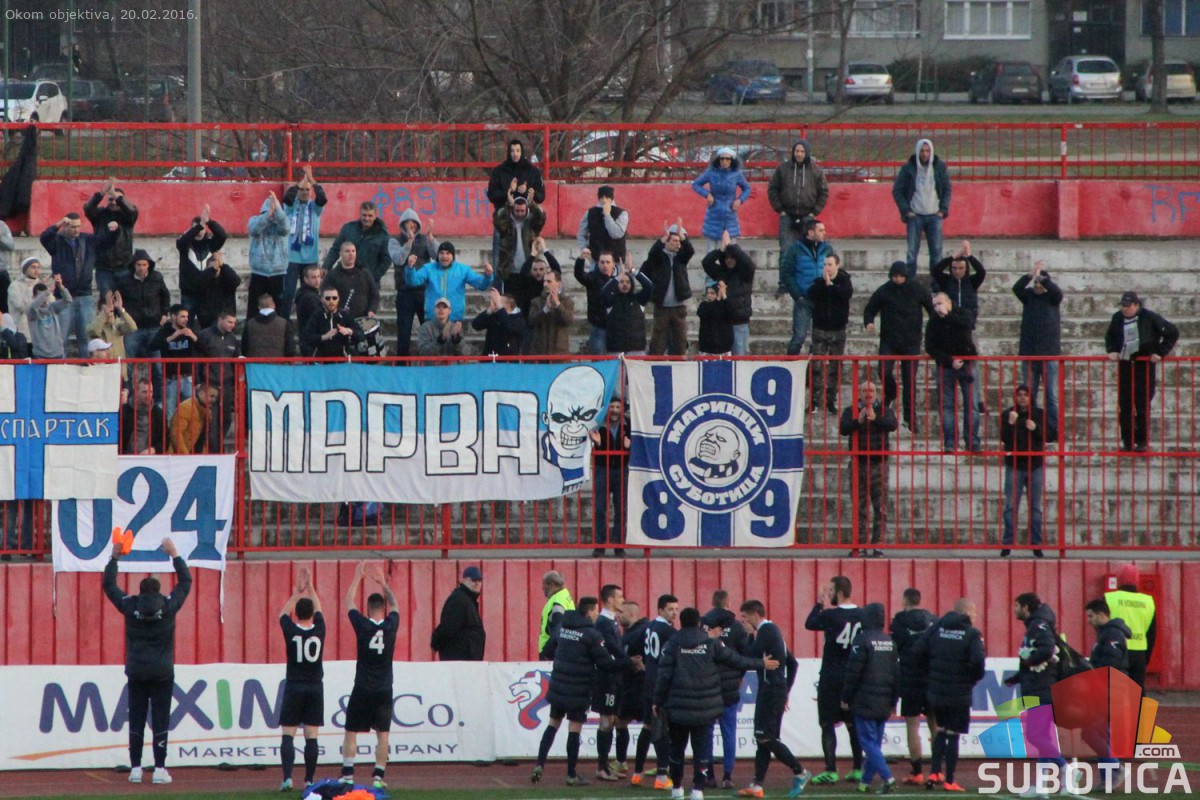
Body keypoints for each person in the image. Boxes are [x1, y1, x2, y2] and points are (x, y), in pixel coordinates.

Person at [657, 606, 777, 800]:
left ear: (681, 622)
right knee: (702, 751)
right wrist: (761, 663)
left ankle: (677, 788)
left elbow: (663, 676)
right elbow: (737, 660)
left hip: (678, 709)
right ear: (698, 623)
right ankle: (698, 790)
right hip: (706, 708)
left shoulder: (672, 644)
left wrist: (657, 701)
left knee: (677, 749)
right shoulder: (711, 644)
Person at [102, 537, 192, 785]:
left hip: (137, 671)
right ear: (159, 591)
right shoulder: (168, 606)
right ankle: (160, 769)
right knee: (161, 719)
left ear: (140, 592)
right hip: (162, 672)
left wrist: (115, 558)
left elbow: (109, 586)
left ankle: (135, 769)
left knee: (137, 719)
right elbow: (186, 582)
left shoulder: (130, 606)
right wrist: (175, 554)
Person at [532, 596, 622, 787]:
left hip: (558, 686)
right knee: (574, 729)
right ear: (589, 612)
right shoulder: (591, 634)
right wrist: (628, 664)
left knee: (553, 724)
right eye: (595, 610)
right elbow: (605, 662)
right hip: (579, 689)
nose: (597, 614)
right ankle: (571, 774)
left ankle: (539, 764)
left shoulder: (562, 627)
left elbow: (547, 650)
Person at [737, 599, 811, 799]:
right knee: (763, 739)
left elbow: (749, 655)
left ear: (755, 615)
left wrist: (747, 635)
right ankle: (757, 785)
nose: (743, 621)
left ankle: (800, 771)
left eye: (744, 617)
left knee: (765, 737)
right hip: (773, 690)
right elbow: (793, 664)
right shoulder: (773, 631)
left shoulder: (766, 631)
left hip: (770, 691)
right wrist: (785, 691)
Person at [912, 599, 985, 792]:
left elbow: (917, 650)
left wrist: (931, 672)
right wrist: (971, 680)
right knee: (953, 734)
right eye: (974, 613)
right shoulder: (972, 634)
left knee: (940, 730)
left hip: (936, 690)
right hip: (959, 692)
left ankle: (934, 772)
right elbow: (978, 662)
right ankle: (950, 780)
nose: (975, 617)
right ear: (967, 613)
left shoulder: (937, 628)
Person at [339, 562, 400, 790]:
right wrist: (383, 583)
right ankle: (378, 777)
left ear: (367, 608)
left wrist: (357, 577)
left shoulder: (363, 625)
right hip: (384, 688)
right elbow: (396, 605)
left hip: (363, 686)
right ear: (383, 609)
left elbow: (348, 602)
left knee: (351, 730)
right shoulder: (391, 625)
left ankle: (348, 775)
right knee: (383, 734)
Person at [805, 575, 865, 784]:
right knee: (852, 723)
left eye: (830, 590)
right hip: (853, 676)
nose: (828, 594)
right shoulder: (862, 615)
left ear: (839, 592)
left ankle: (831, 770)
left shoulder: (831, 615)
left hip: (831, 676)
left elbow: (810, 623)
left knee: (827, 723)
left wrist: (818, 603)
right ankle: (858, 768)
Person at [1104, 291, 1178, 452]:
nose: (1125, 309)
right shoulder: (1117, 318)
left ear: (1137, 305)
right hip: (1125, 364)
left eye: (1128, 306)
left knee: (1142, 403)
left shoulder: (1150, 317)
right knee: (1125, 404)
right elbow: (1110, 336)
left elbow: (1172, 332)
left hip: (1144, 365)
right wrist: (1111, 350)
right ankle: (1127, 441)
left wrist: (1160, 352)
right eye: (1123, 306)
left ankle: (1142, 441)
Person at [840, 603, 899, 795]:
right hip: (884, 701)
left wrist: (846, 697)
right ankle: (865, 782)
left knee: (868, 743)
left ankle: (888, 778)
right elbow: (896, 674)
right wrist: (894, 701)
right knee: (875, 745)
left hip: (865, 700)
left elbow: (853, 672)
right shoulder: (890, 642)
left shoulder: (861, 640)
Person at [1009, 593, 1067, 782]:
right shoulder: (1036, 625)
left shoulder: (1038, 625)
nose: (1014, 610)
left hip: (1041, 687)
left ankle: (1065, 767)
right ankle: (1041, 784)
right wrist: (1017, 677)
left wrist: (1029, 662)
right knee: (1042, 736)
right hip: (1038, 685)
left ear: (1026, 607)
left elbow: (1047, 649)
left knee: (1034, 735)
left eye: (1017, 606)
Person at [278, 567, 325, 792]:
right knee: (311, 736)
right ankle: (309, 780)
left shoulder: (290, 630)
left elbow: (282, 615)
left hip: (294, 686)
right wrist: (311, 588)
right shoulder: (320, 630)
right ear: (312, 614)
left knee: (288, 734)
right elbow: (320, 609)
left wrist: (297, 592)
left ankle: (288, 778)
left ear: (296, 613)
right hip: (315, 687)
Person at [839, 381, 896, 557]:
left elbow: (892, 425)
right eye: (864, 390)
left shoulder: (885, 410)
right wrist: (858, 421)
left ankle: (878, 544)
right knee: (859, 507)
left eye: (871, 390)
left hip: (879, 463)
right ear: (860, 393)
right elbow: (843, 429)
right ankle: (861, 544)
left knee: (881, 507)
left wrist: (875, 418)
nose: (868, 393)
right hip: (858, 463)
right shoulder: (851, 411)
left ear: (876, 393)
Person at [41, 212, 108, 356]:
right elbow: (44, 238)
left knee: (86, 338)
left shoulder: (87, 239)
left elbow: (106, 242)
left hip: (84, 294)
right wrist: (58, 224)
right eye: (72, 227)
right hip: (63, 296)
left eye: (78, 226)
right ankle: (61, 365)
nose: (76, 230)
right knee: (61, 338)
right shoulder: (57, 241)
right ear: (65, 226)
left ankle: (87, 364)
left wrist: (115, 231)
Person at [702, 590, 751, 791]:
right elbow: (745, 655)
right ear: (728, 603)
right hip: (730, 685)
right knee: (729, 732)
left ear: (713, 603)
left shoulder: (703, 623)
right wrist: (740, 676)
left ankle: (709, 775)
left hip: (709, 685)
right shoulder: (737, 627)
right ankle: (728, 776)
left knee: (706, 732)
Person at [889, 588, 937, 785]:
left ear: (904, 601)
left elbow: (894, 648)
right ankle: (936, 772)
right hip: (931, 677)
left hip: (909, 678)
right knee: (935, 725)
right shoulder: (933, 620)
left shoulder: (899, 621)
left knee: (912, 725)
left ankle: (917, 772)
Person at [634, 594, 680, 790]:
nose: (675, 613)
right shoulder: (669, 632)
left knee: (647, 727)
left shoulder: (649, 626)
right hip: (661, 685)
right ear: (660, 610)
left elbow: (637, 646)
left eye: (676, 609)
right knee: (662, 730)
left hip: (648, 682)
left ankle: (637, 773)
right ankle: (661, 775)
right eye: (670, 609)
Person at [925, 292, 981, 453]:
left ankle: (972, 441)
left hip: (967, 363)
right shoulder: (933, 321)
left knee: (972, 404)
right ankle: (950, 443)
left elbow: (967, 324)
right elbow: (930, 347)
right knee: (947, 406)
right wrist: (950, 361)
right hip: (946, 365)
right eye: (935, 305)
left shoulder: (962, 313)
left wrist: (948, 316)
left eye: (940, 303)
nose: (937, 308)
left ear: (949, 303)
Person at [1014, 260, 1062, 443]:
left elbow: (1058, 292)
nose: (1037, 286)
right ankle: (1029, 429)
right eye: (1035, 283)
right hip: (1029, 354)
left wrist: (1043, 278)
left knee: (1051, 396)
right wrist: (1029, 275)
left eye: (1040, 283)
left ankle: (1052, 431)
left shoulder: (1052, 298)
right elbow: (1016, 288)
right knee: (1029, 395)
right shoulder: (1028, 296)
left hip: (1049, 354)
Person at [768, 139, 828, 279]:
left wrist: (815, 211)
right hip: (786, 215)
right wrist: (779, 209)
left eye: (802, 151)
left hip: (807, 216)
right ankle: (783, 284)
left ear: (807, 153)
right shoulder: (783, 169)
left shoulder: (816, 171)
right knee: (785, 251)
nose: (799, 154)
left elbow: (824, 192)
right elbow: (772, 189)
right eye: (796, 151)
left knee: (806, 250)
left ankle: (804, 282)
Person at [892, 138, 951, 279]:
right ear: (918, 152)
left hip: (934, 216)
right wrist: (907, 211)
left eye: (927, 151)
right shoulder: (908, 168)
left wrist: (942, 210)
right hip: (915, 216)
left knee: (936, 254)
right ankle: (909, 283)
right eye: (922, 151)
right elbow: (897, 191)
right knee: (912, 255)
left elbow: (947, 189)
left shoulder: (940, 167)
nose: (925, 154)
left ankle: (937, 284)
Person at [1000, 385, 1046, 558]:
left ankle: (1036, 543)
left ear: (1030, 397)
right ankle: (1008, 543)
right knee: (1011, 506)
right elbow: (1004, 438)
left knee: (1035, 507)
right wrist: (1010, 424)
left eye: (1025, 395)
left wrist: (1036, 428)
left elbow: (1049, 435)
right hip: (1014, 465)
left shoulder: (1039, 414)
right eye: (1019, 395)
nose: (1022, 398)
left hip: (1035, 465)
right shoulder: (1008, 414)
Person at [487, 138, 545, 266]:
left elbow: (541, 196)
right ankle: (498, 279)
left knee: (529, 255)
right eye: (512, 151)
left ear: (522, 152)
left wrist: (530, 192)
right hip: (504, 219)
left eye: (518, 151)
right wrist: (509, 191)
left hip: (527, 220)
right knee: (500, 258)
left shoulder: (532, 171)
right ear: (509, 152)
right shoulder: (499, 171)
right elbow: (491, 195)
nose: (515, 154)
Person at [388, 208, 438, 357]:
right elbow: (398, 259)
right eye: (408, 222)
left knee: (428, 331)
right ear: (402, 224)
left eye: (414, 222)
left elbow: (437, 255)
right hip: (404, 292)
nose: (411, 225)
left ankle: (430, 362)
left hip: (424, 292)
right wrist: (409, 242)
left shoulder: (424, 239)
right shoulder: (394, 241)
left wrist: (430, 237)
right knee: (404, 332)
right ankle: (402, 364)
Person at [594, 584, 631, 782]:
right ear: (610, 599)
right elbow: (613, 649)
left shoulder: (612, 621)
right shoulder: (603, 623)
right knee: (607, 721)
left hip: (615, 678)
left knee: (612, 720)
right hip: (606, 679)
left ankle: (606, 764)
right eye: (620, 596)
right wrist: (630, 662)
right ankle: (601, 767)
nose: (622, 600)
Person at [405, 242, 493, 323]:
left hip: (454, 320)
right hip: (432, 319)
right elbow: (413, 281)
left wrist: (488, 275)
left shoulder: (463, 270)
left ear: (453, 255)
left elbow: (481, 285)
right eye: (442, 253)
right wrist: (410, 268)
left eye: (448, 253)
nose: (444, 256)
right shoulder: (428, 268)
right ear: (438, 255)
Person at [281, 166, 327, 319]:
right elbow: (287, 198)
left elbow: (322, 198)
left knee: (309, 295)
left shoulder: (314, 207)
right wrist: (298, 184)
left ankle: (309, 322)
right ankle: (285, 324)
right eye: (302, 189)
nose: (305, 192)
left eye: (308, 190)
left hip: (310, 259)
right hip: (292, 259)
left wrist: (311, 179)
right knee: (288, 293)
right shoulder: (290, 206)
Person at [809, 252, 853, 414]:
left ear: (837, 266)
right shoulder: (818, 283)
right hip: (820, 328)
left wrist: (831, 286)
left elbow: (845, 295)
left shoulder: (844, 281)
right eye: (825, 265)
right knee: (817, 367)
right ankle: (814, 401)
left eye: (830, 264)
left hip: (837, 330)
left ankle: (830, 400)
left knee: (835, 367)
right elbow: (811, 294)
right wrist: (823, 284)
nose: (827, 268)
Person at [643, 221, 695, 356]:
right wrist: (663, 239)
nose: (678, 244)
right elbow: (653, 253)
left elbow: (690, 251)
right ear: (667, 242)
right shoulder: (659, 257)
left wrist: (683, 237)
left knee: (680, 340)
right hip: (662, 307)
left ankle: (679, 364)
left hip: (678, 307)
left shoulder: (681, 258)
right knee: (658, 341)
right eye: (675, 241)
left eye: (679, 241)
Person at [781, 218, 831, 356]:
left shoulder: (827, 248)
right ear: (811, 232)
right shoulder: (795, 249)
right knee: (799, 337)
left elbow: (833, 269)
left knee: (819, 339)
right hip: (804, 299)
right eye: (821, 230)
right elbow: (786, 273)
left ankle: (814, 367)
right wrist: (798, 295)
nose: (824, 233)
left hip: (822, 299)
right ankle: (790, 365)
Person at [701, 231, 755, 355]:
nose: (729, 261)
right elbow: (706, 263)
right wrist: (720, 250)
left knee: (739, 358)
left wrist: (731, 246)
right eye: (727, 258)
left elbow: (748, 263)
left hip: (739, 322)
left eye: (732, 258)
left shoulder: (745, 274)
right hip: (723, 321)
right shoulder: (721, 272)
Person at [1105, 564, 1157, 689]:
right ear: (1137, 581)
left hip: (1116, 650)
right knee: (1137, 691)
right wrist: (1146, 658)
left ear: (1119, 580)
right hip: (1139, 653)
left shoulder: (1110, 598)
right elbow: (1152, 633)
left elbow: (1103, 628)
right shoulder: (1148, 601)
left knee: (1116, 690)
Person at [116, 249, 171, 367]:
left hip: (154, 325)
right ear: (134, 265)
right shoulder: (124, 280)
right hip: (133, 327)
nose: (141, 268)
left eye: (144, 265)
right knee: (128, 363)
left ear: (148, 265)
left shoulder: (157, 277)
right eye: (139, 265)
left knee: (157, 365)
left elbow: (165, 296)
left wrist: (164, 314)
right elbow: (118, 298)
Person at [84, 179, 138, 296]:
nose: (114, 202)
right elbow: (88, 208)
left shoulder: (127, 217)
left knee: (124, 299)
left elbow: (132, 211)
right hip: (103, 268)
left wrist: (116, 196)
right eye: (110, 199)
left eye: (116, 200)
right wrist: (102, 192)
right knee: (106, 298)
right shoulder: (100, 215)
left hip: (124, 266)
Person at [590, 398, 630, 557]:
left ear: (622, 409)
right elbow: (590, 445)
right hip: (602, 469)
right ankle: (599, 546)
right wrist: (598, 444)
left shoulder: (628, 425)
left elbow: (638, 444)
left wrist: (629, 447)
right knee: (600, 509)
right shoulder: (598, 424)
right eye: (612, 406)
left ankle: (619, 546)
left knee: (621, 509)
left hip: (621, 470)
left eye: (618, 407)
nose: (614, 410)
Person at [175, 204, 228, 322]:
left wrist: (209, 222)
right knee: (187, 323)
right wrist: (200, 225)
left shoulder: (211, 244)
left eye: (202, 229)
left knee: (207, 323)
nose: (199, 231)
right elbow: (182, 242)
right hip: (189, 293)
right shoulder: (185, 245)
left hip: (207, 291)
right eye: (197, 228)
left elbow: (222, 235)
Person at [692, 147, 751, 251]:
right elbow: (695, 184)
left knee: (731, 250)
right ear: (718, 159)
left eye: (727, 159)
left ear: (732, 160)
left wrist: (740, 200)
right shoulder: (711, 172)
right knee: (711, 251)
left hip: (730, 215)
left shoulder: (736, 174)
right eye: (722, 158)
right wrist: (707, 194)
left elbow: (747, 188)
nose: (724, 161)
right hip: (713, 213)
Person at [322, 201, 391, 287]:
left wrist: (372, 278)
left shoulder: (383, 236)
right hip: (345, 277)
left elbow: (386, 261)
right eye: (364, 215)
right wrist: (326, 266)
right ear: (360, 214)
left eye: (370, 216)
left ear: (375, 216)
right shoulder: (348, 229)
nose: (367, 218)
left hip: (369, 283)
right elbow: (335, 249)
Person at [616, 600, 648, 776]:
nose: (618, 615)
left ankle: (658, 767)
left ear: (631, 614)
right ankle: (622, 762)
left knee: (650, 725)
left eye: (621, 612)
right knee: (621, 722)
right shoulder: (628, 633)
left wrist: (643, 667)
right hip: (629, 686)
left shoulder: (642, 632)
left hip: (640, 686)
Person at [152, 304, 199, 420]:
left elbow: (204, 348)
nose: (186, 319)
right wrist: (172, 337)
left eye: (187, 317)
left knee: (190, 414)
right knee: (170, 414)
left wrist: (193, 336)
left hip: (187, 378)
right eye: (182, 316)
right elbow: (152, 346)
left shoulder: (190, 330)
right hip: (170, 379)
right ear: (173, 317)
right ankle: (169, 432)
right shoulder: (165, 331)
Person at [247, 191, 291, 313]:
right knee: (253, 309)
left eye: (273, 211)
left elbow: (285, 229)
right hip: (258, 272)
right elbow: (255, 230)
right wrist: (267, 215)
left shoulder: (282, 222)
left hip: (278, 272)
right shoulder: (254, 220)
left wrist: (278, 210)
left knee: (279, 309)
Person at [430, 566, 486, 661]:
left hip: (464, 659)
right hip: (459, 660)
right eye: (473, 580)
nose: (477, 583)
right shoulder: (459, 600)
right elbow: (448, 626)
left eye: (480, 580)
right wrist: (435, 643)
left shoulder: (467, 600)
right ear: (463, 580)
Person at [493, 193, 547, 284]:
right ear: (512, 209)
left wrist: (532, 204)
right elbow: (497, 220)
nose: (520, 213)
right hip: (509, 271)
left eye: (522, 211)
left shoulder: (532, 223)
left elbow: (541, 217)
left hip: (529, 270)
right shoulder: (507, 224)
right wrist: (508, 206)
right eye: (517, 211)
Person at [602, 263, 654, 356]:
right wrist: (618, 277)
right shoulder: (611, 301)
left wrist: (634, 271)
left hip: (637, 349)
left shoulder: (639, 299)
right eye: (621, 282)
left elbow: (649, 286)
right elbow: (604, 292)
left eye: (628, 282)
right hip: (615, 350)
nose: (625, 284)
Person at [931, 241, 984, 330]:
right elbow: (936, 271)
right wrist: (953, 257)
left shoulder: (972, 282)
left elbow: (981, 272)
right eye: (954, 268)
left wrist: (969, 256)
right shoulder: (946, 281)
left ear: (966, 269)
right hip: (948, 323)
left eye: (961, 268)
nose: (957, 271)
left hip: (967, 323)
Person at [574, 249, 618, 355]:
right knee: (598, 358)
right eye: (602, 262)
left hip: (616, 327)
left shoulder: (620, 279)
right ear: (598, 264)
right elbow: (579, 274)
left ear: (613, 264)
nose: (605, 265)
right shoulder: (592, 277)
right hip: (598, 326)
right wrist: (581, 259)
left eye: (608, 262)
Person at [323, 241, 380, 322]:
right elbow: (326, 297)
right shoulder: (332, 275)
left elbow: (374, 295)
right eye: (347, 251)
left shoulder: (365, 273)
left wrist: (372, 310)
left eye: (353, 251)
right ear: (340, 254)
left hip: (363, 320)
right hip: (340, 321)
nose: (351, 254)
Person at [301, 288, 364, 359]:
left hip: (342, 360)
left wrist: (349, 331)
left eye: (334, 298)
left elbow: (361, 335)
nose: (331, 301)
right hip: (321, 361)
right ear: (322, 299)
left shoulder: (345, 315)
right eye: (328, 298)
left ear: (338, 299)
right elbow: (307, 337)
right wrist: (324, 337)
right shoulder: (316, 316)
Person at [576, 185, 629, 263]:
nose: (604, 200)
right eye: (601, 197)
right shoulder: (590, 212)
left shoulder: (621, 213)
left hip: (616, 260)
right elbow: (581, 234)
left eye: (607, 198)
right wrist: (584, 247)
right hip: (596, 259)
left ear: (611, 198)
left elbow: (616, 234)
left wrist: (607, 215)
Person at [528, 269, 574, 356]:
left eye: (549, 281)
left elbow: (569, 320)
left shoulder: (567, 301)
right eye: (544, 281)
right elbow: (531, 321)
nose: (545, 284)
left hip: (559, 352)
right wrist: (545, 309)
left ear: (558, 284)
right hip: (540, 351)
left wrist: (558, 305)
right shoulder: (536, 301)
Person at [194, 250, 241, 331]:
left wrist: (223, 265)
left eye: (217, 268)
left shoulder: (226, 278)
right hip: (207, 320)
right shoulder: (203, 278)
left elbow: (236, 281)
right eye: (212, 268)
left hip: (225, 319)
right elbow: (198, 284)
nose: (216, 270)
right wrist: (212, 270)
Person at [27, 277, 73, 359]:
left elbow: (68, 300)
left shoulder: (52, 307)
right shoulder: (32, 311)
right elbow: (34, 306)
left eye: (46, 296)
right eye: (40, 296)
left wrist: (61, 286)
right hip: (40, 354)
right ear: (34, 297)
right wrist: (47, 291)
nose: (44, 299)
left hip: (58, 353)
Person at [472, 287, 525, 357]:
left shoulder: (518, 319)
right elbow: (476, 325)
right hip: (490, 357)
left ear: (509, 305)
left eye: (499, 303)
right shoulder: (494, 316)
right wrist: (489, 310)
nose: (497, 305)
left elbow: (509, 327)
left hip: (508, 359)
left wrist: (500, 307)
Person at [169, 381, 219, 454]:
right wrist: (186, 456)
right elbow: (176, 434)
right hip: (180, 457)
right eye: (211, 396)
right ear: (201, 393)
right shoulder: (185, 407)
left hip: (196, 457)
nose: (214, 400)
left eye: (215, 397)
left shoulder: (207, 412)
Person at [121, 378, 167, 455]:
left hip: (150, 457)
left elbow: (165, 440)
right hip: (126, 457)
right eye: (144, 392)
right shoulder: (124, 411)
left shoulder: (158, 414)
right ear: (136, 392)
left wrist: (153, 449)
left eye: (151, 392)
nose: (148, 395)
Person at [242, 293, 298, 358]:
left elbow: (244, 348)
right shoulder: (284, 323)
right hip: (277, 363)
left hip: (254, 363)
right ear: (274, 305)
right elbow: (290, 349)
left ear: (259, 307)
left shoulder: (249, 324)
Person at [1086, 599, 1131, 675]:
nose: (1088, 620)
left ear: (1101, 615)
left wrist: (1090, 669)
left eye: (1091, 616)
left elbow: (1111, 663)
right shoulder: (1106, 633)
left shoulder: (1113, 634)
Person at [538, 570, 575, 659]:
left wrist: (545, 653)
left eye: (544, 584)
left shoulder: (557, 603)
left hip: (554, 655)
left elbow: (557, 633)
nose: (542, 587)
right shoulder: (565, 596)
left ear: (552, 584)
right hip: (566, 651)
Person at [7, 257, 42, 341]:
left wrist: (47, 292)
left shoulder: (40, 285)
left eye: (38, 267)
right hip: (22, 330)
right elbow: (20, 306)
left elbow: (50, 305)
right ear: (25, 269)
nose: (36, 270)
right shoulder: (15, 286)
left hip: (39, 330)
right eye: (33, 267)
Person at [697, 281, 734, 356]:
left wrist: (724, 295)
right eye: (708, 293)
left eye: (712, 293)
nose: (709, 295)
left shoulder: (725, 306)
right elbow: (709, 312)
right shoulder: (704, 305)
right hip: (707, 349)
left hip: (724, 348)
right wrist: (717, 299)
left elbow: (732, 314)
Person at [292, 265, 325, 335]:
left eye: (318, 276)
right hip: (311, 336)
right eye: (313, 277)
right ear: (305, 279)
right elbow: (319, 316)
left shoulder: (304, 292)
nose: (317, 280)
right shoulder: (309, 297)